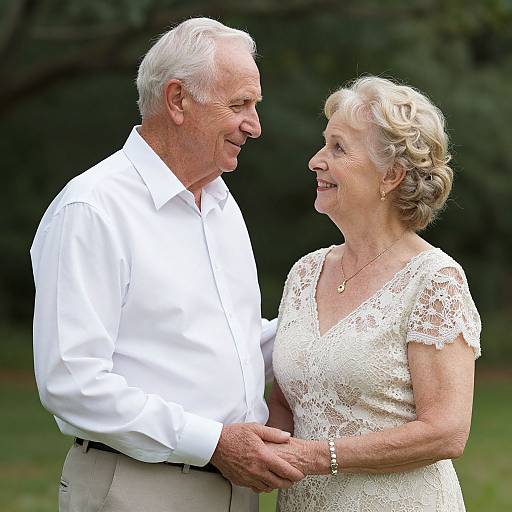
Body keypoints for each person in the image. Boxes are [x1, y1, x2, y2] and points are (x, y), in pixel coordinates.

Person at [30, 17, 303, 512]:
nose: (255, 125)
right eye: (239, 104)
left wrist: (340, 325)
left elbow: (234, 347)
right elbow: (71, 382)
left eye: (255, 106)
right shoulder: (93, 207)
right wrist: (214, 442)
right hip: (139, 487)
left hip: (237, 488)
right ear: (177, 100)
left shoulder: (220, 203)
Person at [266, 76, 481, 511]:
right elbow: (288, 401)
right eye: (323, 145)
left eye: (338, 148)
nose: (315, 161)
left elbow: (446, 430)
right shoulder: (306, 273)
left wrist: (316, 456)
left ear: (391, 175)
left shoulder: (434, 280)